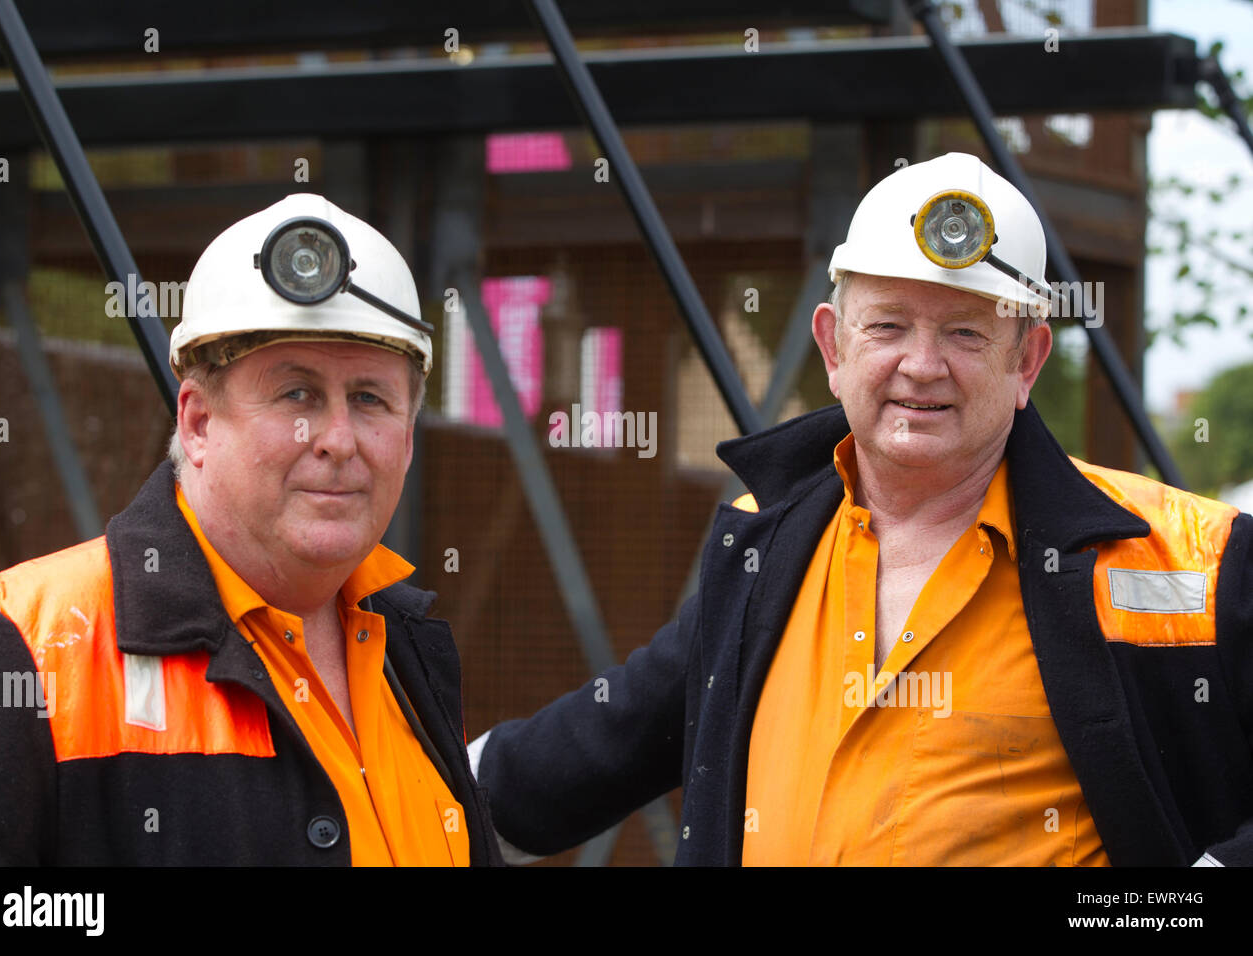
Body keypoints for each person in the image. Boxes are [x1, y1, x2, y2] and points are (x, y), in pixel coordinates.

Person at [469, 153, 1253, 867]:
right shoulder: (765, 542)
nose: (921, 363)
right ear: (834, 348)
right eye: (887, 325)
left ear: (1029, 362)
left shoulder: (1192, 559)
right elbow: (612, 736)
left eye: (966, 333)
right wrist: (408, 787)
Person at [0, 193, 500, 866]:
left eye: (369, 398)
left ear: (409, 437)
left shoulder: (406, 650)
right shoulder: (16, 648)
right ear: (198, 423)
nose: (337, 438)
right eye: (296, 393)